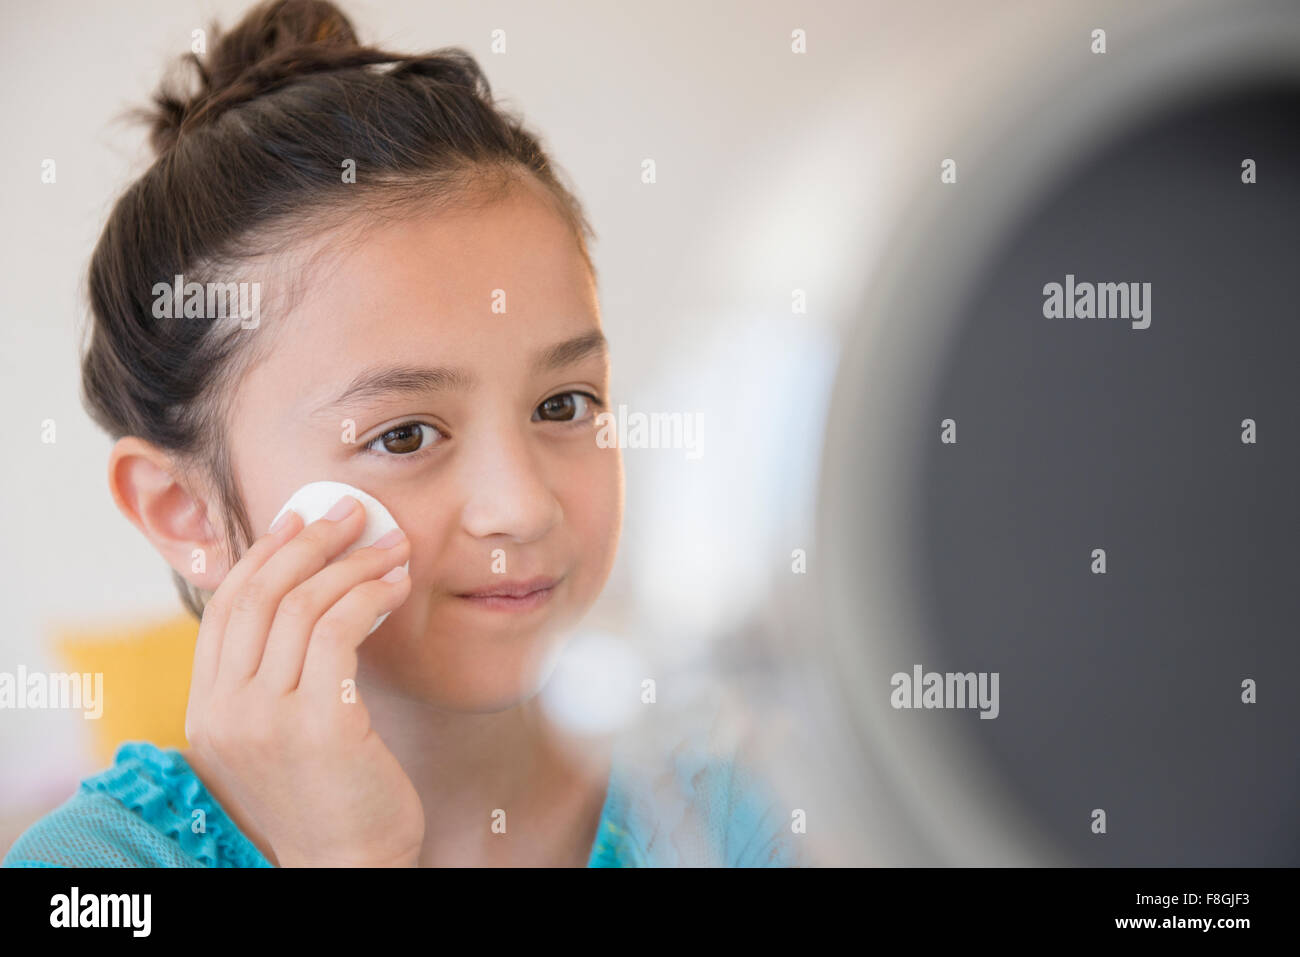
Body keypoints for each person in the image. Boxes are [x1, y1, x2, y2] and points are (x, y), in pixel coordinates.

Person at [3, 0, 798, 868]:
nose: (520, 508)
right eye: (407, 434)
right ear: (185, 512)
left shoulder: (753, 815)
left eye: (563, 405)